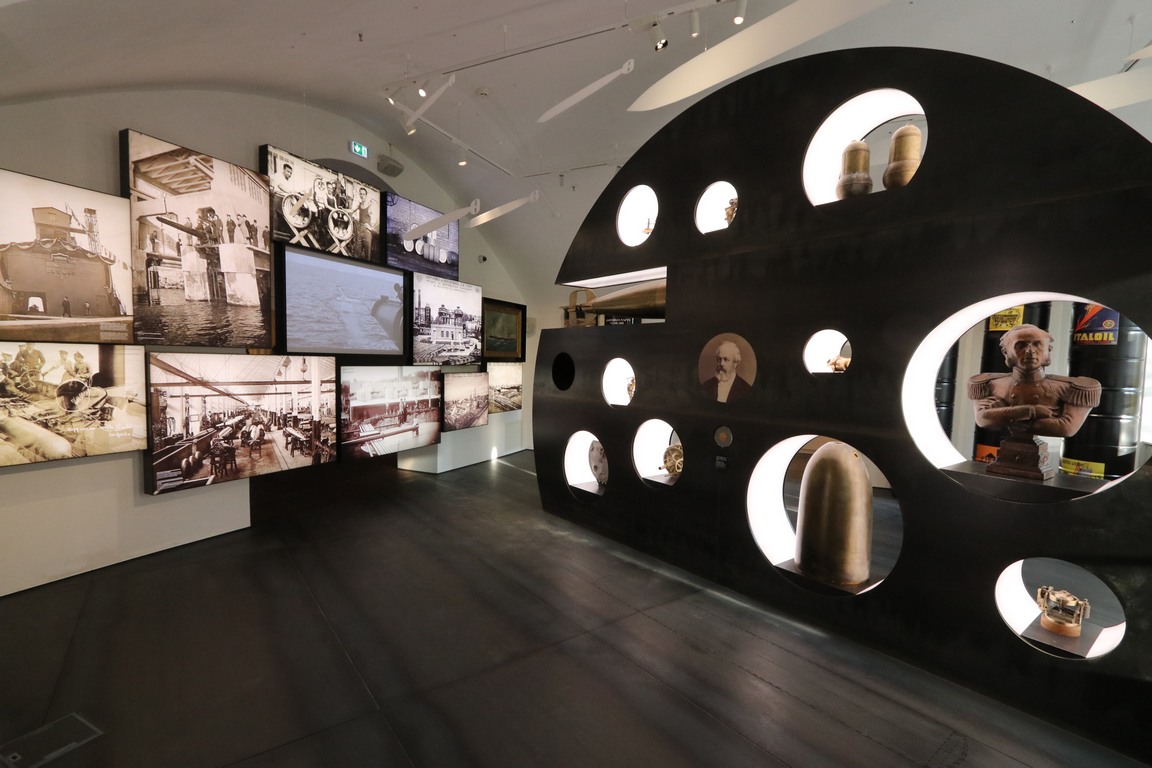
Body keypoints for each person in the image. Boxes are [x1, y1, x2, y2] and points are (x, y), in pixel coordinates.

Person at [968, 323, 1100, 438]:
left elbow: (1066, 428)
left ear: (1048, 350)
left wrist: (1002, 415)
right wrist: (1031, 411)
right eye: (1021, 345)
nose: (1030, 351)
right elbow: (982, 420)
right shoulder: (989, 383)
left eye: (1037, 344)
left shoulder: (1072, 387)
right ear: (1006, 352)